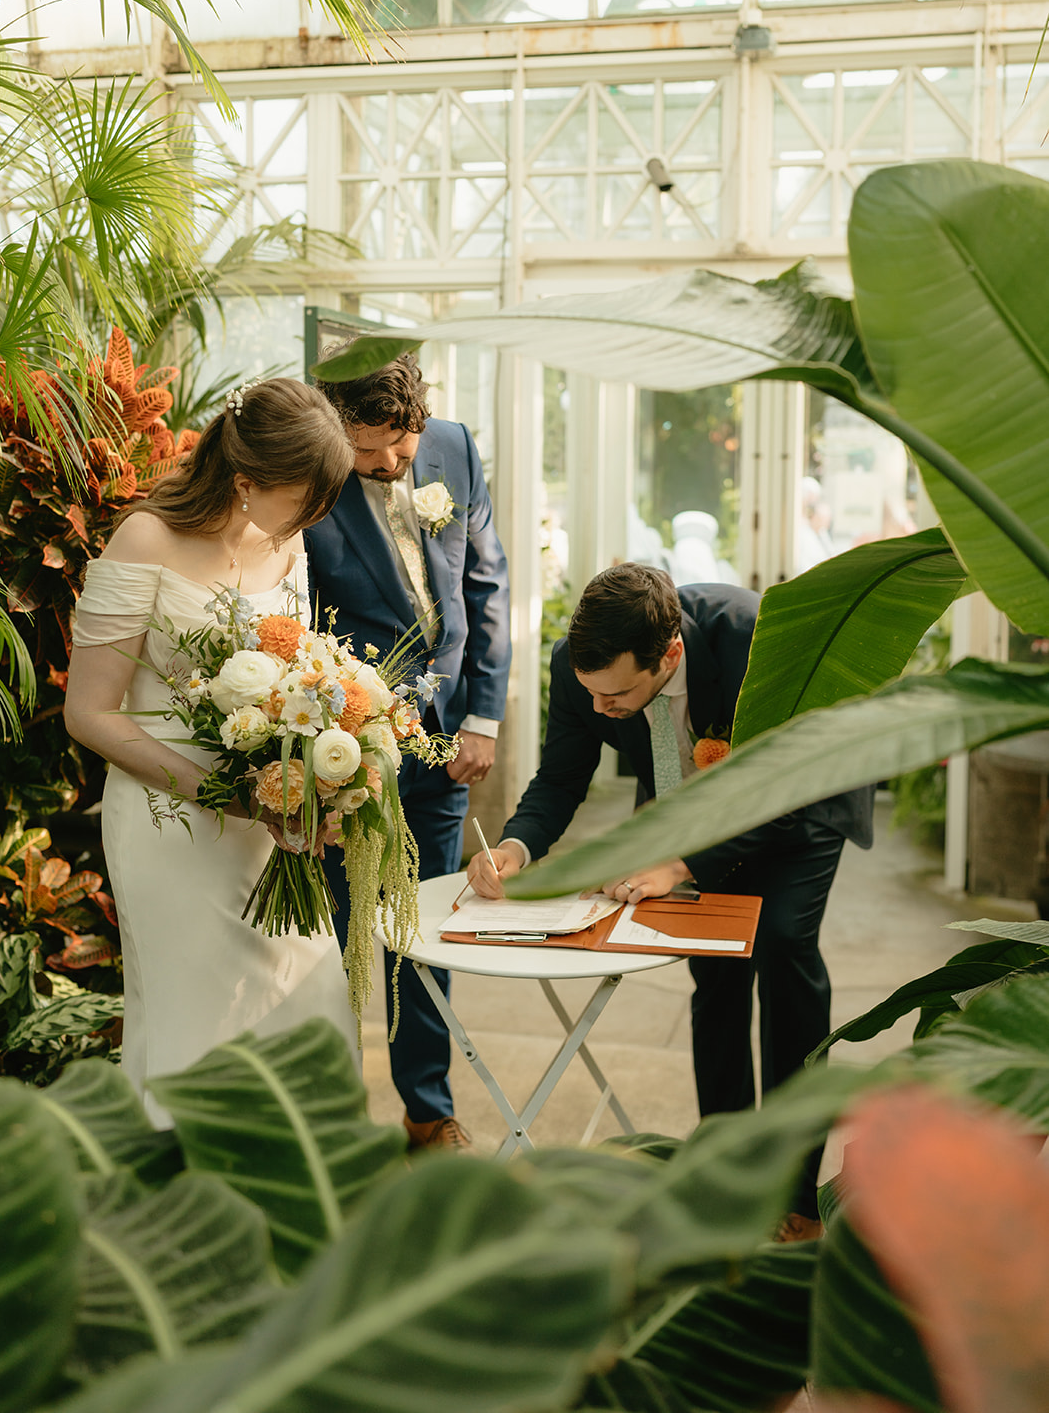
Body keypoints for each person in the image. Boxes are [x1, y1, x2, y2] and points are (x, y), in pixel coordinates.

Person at [466, 563, 873, 1236]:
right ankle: (722, 1170)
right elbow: (563, 775)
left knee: (779, 948)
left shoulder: (753, 642)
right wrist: (515, 847)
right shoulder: (584, 666)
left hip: (802, 804)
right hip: (689, 811)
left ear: (671, 653)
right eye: (590, 695)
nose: (601, 710)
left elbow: (782, 787)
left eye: (618, 695)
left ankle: (795, 1196)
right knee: (711, 971)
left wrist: (676, 862)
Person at [65, 378, 358, 1123]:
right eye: (306, 497)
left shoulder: (285, 539)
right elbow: (88, 712)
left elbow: (298, 678)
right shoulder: (145, 540)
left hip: (267, 828)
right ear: (245, 479)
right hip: (170, 822)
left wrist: (312, 778)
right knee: (192, 1025)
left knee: (309, 1002)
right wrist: (222, 792)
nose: (317, 516)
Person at [306, 353, 511, 1152]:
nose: (390, 465)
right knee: (338, 933)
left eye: (401, 443)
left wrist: (484, 716)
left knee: (423, 932)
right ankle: (330, 1113)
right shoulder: (309, 478)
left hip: (448, 739)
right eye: (368, 451)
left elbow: (485, 586)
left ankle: (428, 1110)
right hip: (347, 745)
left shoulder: (454, 447)